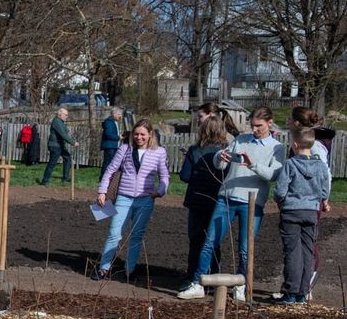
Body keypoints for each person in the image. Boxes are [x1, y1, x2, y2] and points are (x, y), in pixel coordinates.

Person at [178, 107, 285, 301]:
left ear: (270, 123)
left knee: (245, 248)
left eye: (259, 126)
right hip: (226, 197)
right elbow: (221, 165)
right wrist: (220, 158)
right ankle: (197, 283)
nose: (255, 130)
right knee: (210, 241)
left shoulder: (277, 147)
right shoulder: (241, 139)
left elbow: (273, 175)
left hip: (252, 202)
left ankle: (240, 285)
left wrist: (252, 164)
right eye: (252, 125)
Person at [92, 121, 170, 281]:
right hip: (123, 197)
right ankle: (103, 269)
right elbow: (111, 169)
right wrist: (102, 191)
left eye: (142, 134)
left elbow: (164, 175)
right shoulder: (125, 149)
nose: (139, 137)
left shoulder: (159, 152)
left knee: (136, 235)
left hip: (145, 200)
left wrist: (160, 192)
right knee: (114, 234)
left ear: (150, 135)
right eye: (136, 134)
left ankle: (130, 269)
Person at [272, 127, 331, 305]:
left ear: (295, 144)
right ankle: (303, 293)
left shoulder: (290, 164)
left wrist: (280, 200)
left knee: (292, 252)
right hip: (311, 212)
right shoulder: (320, 165)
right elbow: (324, 189)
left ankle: (291, 291)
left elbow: (280, 190)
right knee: (307, 252)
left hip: (291, 211)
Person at [289, 106, 334, 297]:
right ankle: (298, 283)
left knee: (309, 243)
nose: (288, 123)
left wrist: (324, 197)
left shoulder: (313, 145)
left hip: (310, 200)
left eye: (290, 119)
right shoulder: (303, 140)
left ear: (297, 122)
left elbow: (325, 173)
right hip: (302, 199)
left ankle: (306, 285)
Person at [178, 117, 228, 288]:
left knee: (196, 240)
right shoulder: (226, 151)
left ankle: (192, 277)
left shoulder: (194, 150)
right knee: (214, 241)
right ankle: (213, 277)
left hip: (197, 200)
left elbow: (185, 176)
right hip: (217, 200)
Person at [39, 108, 78, 186]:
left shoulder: (61, 122)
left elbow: (65, 132)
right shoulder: (57, 121)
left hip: (60, 145)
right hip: (55, 145)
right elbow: (63, 135)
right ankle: (44, 181)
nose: (66, 116)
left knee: (67, 158)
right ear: (60, 114)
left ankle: (65, 178)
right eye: (66, 115)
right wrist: (73, 143)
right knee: (52, 163)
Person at [100, 107, 124, 173]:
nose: (120, 116)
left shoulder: (114, 122)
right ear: (114, 114)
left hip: (113, 146)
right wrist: (118, 137)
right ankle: (102, 178)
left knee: (112, 163)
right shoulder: (109, 122)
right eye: (119, 114)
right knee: (108, 163)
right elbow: (108, 134)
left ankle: (109, 178)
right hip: (110, 146)